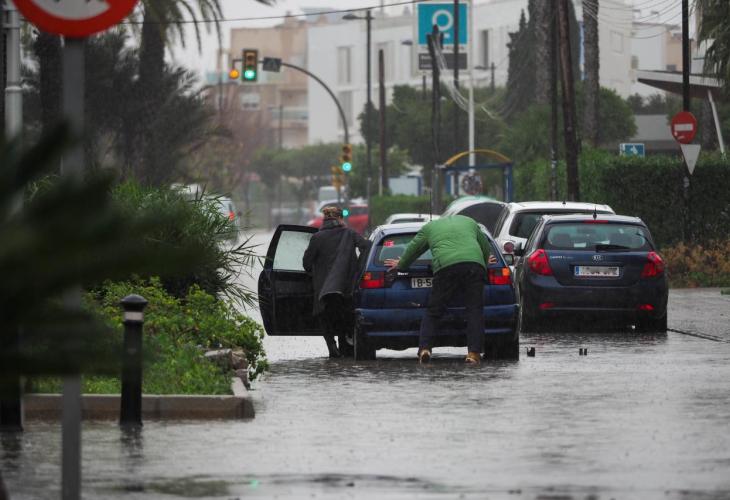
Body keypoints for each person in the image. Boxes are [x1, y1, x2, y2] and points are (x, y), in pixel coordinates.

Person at [385, 215, 497, 365]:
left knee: (433, 311)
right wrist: (483, 262)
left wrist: (401, 265)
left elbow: (414, 249)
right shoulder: (469, 221)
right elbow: (485, 246)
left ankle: (425, 349)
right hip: (473, 266)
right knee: (474, 311)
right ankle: (473, 353)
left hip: (445, 267)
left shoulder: (429, 227)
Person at [303, 206, 371, 358]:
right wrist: (357, 267)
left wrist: (315, 272)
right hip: (346, 287)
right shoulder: (350, 234)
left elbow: (306, 263)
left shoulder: (317, 238)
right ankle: (345, 348)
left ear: (324, 219)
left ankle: (331, 346)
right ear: (340, 218)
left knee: (325, 316)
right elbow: (367, 247)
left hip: (323, 290)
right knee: (345, 317)